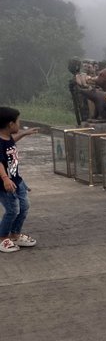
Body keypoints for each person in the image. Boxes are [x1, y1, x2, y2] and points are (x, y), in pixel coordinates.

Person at [1, 107, 41, 253]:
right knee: (12, 210)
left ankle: (15, 234)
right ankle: (3, 238)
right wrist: (5, 179)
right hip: (4, 183)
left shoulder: (7, 139)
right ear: (10, 124)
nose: (20, 124)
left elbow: (11, 142)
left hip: (17, 181)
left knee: (24, 207)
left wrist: (24, 133)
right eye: (18, 122)